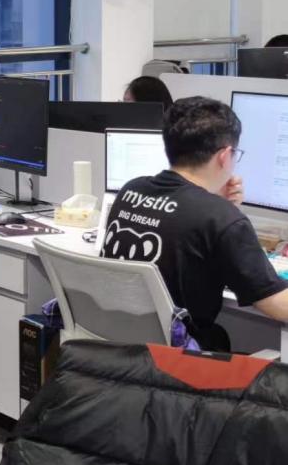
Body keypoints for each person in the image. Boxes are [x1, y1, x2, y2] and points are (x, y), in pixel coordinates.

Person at [100, 96, 288, 351]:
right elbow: (278, 305)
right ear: (224, 156)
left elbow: (183, 227)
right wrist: (223, 211)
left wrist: (219, 205)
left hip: (120, 350)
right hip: (178, 359)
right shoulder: (218, 217)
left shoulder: (130, 190)